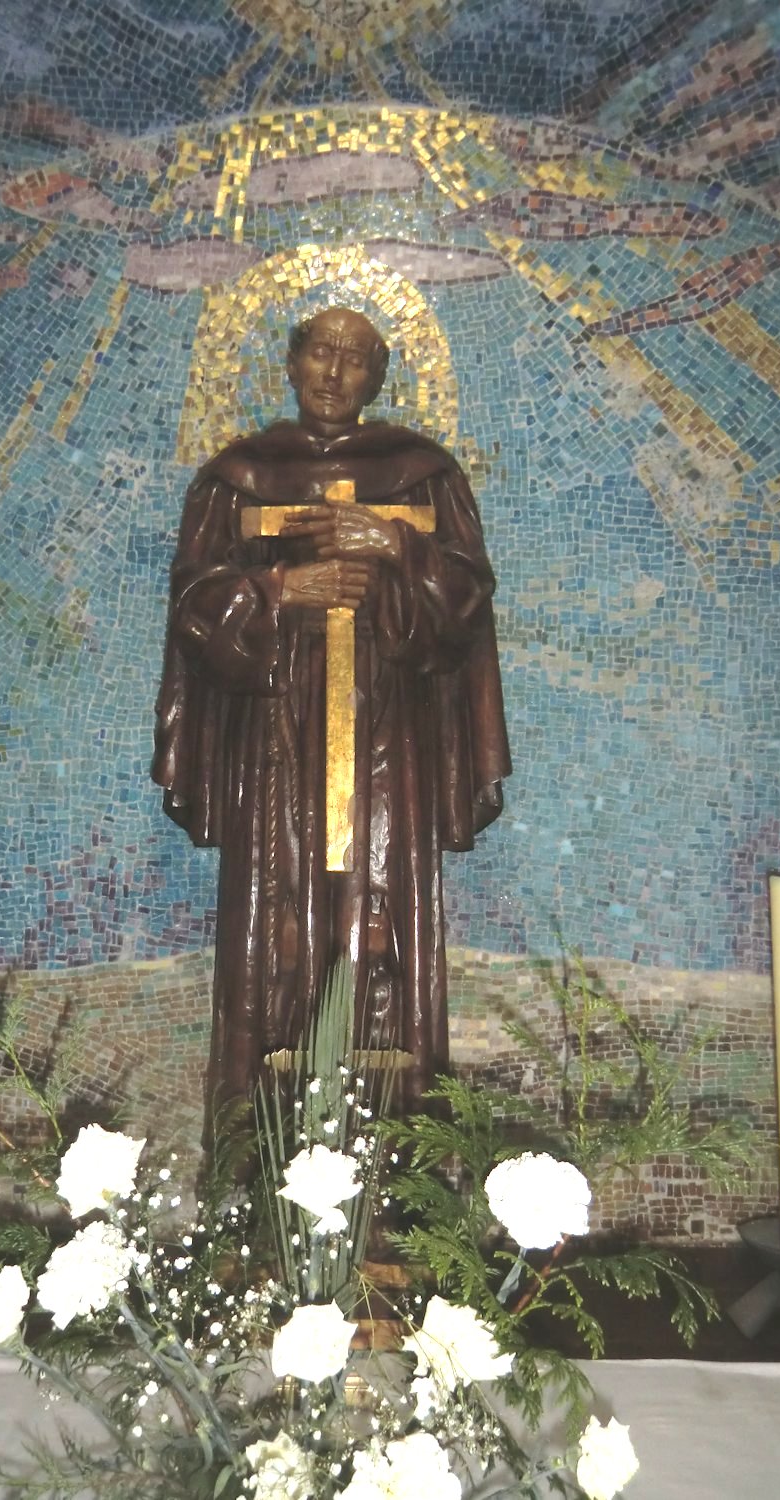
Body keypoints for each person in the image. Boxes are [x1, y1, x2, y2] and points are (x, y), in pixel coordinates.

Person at [152, 306, 510, 1131]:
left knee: (383, 918)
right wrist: (281, 591)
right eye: (320, 352)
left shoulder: (420, 475)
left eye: (356, 360)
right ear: (291, 361)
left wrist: (394, 546)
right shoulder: (237, 475)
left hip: (389, 729)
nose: (333, 373)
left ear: (377, 375)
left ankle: (394, 1151)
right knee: (275, 919)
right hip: (274, 729)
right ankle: (263, 1155)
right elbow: (194, 607)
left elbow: (463, 604)